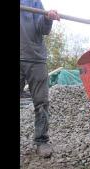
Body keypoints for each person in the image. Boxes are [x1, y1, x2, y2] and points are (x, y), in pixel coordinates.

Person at [20, 0, 60, 158]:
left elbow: (42, 28)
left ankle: (41, 140)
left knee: (41, 102)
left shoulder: (34, 2)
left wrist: (47, 18)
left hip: (35, 58)